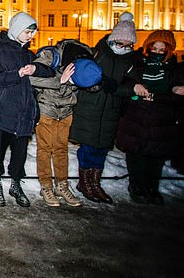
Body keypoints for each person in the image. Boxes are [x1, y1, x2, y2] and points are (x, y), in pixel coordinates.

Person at [0, 12, 55, 208]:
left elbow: (48, 72)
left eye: (32, 33)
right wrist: (17, 74)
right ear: (17, 30)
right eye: (27, 32)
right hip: (1, 110)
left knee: (20, 152)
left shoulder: (27, 53)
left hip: (23, 111)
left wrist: (35, 69)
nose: (30, 36)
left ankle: (15, 183)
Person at [69, 12, 144, 204]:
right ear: (113, 40)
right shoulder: (97, 54)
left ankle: (95, 183)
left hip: (111, 110)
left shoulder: (132, 61)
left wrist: (120, 89)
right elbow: (83, 75)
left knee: (102, 148)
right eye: (120, 43)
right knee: (88, 147)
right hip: (90, 108)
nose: (124, 47)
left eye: (128, 45)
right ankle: (85, 183)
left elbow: (133, 87)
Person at [29, 39, 102, 207]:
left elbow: (93, 83)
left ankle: (62, 185)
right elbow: (30, 78)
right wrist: (59, 81)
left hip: (67, 110)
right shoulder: (50, 56)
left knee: (61, 148)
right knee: (45, 149)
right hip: (47, 108)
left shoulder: (88, 60)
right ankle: (46, 185)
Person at [115, 30, 184, 205]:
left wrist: (163, 95)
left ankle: (151, 187)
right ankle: (136, 186)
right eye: (155, 48)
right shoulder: (137, 62)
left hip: (162, 118)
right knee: (136, 152)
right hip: (137, 115)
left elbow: (178, 93)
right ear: (148, 47)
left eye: (162, 50)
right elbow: (125, 81)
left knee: (156, 155)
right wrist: (135, 86)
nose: (158, 53)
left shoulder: (174, 69)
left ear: (168, 51)